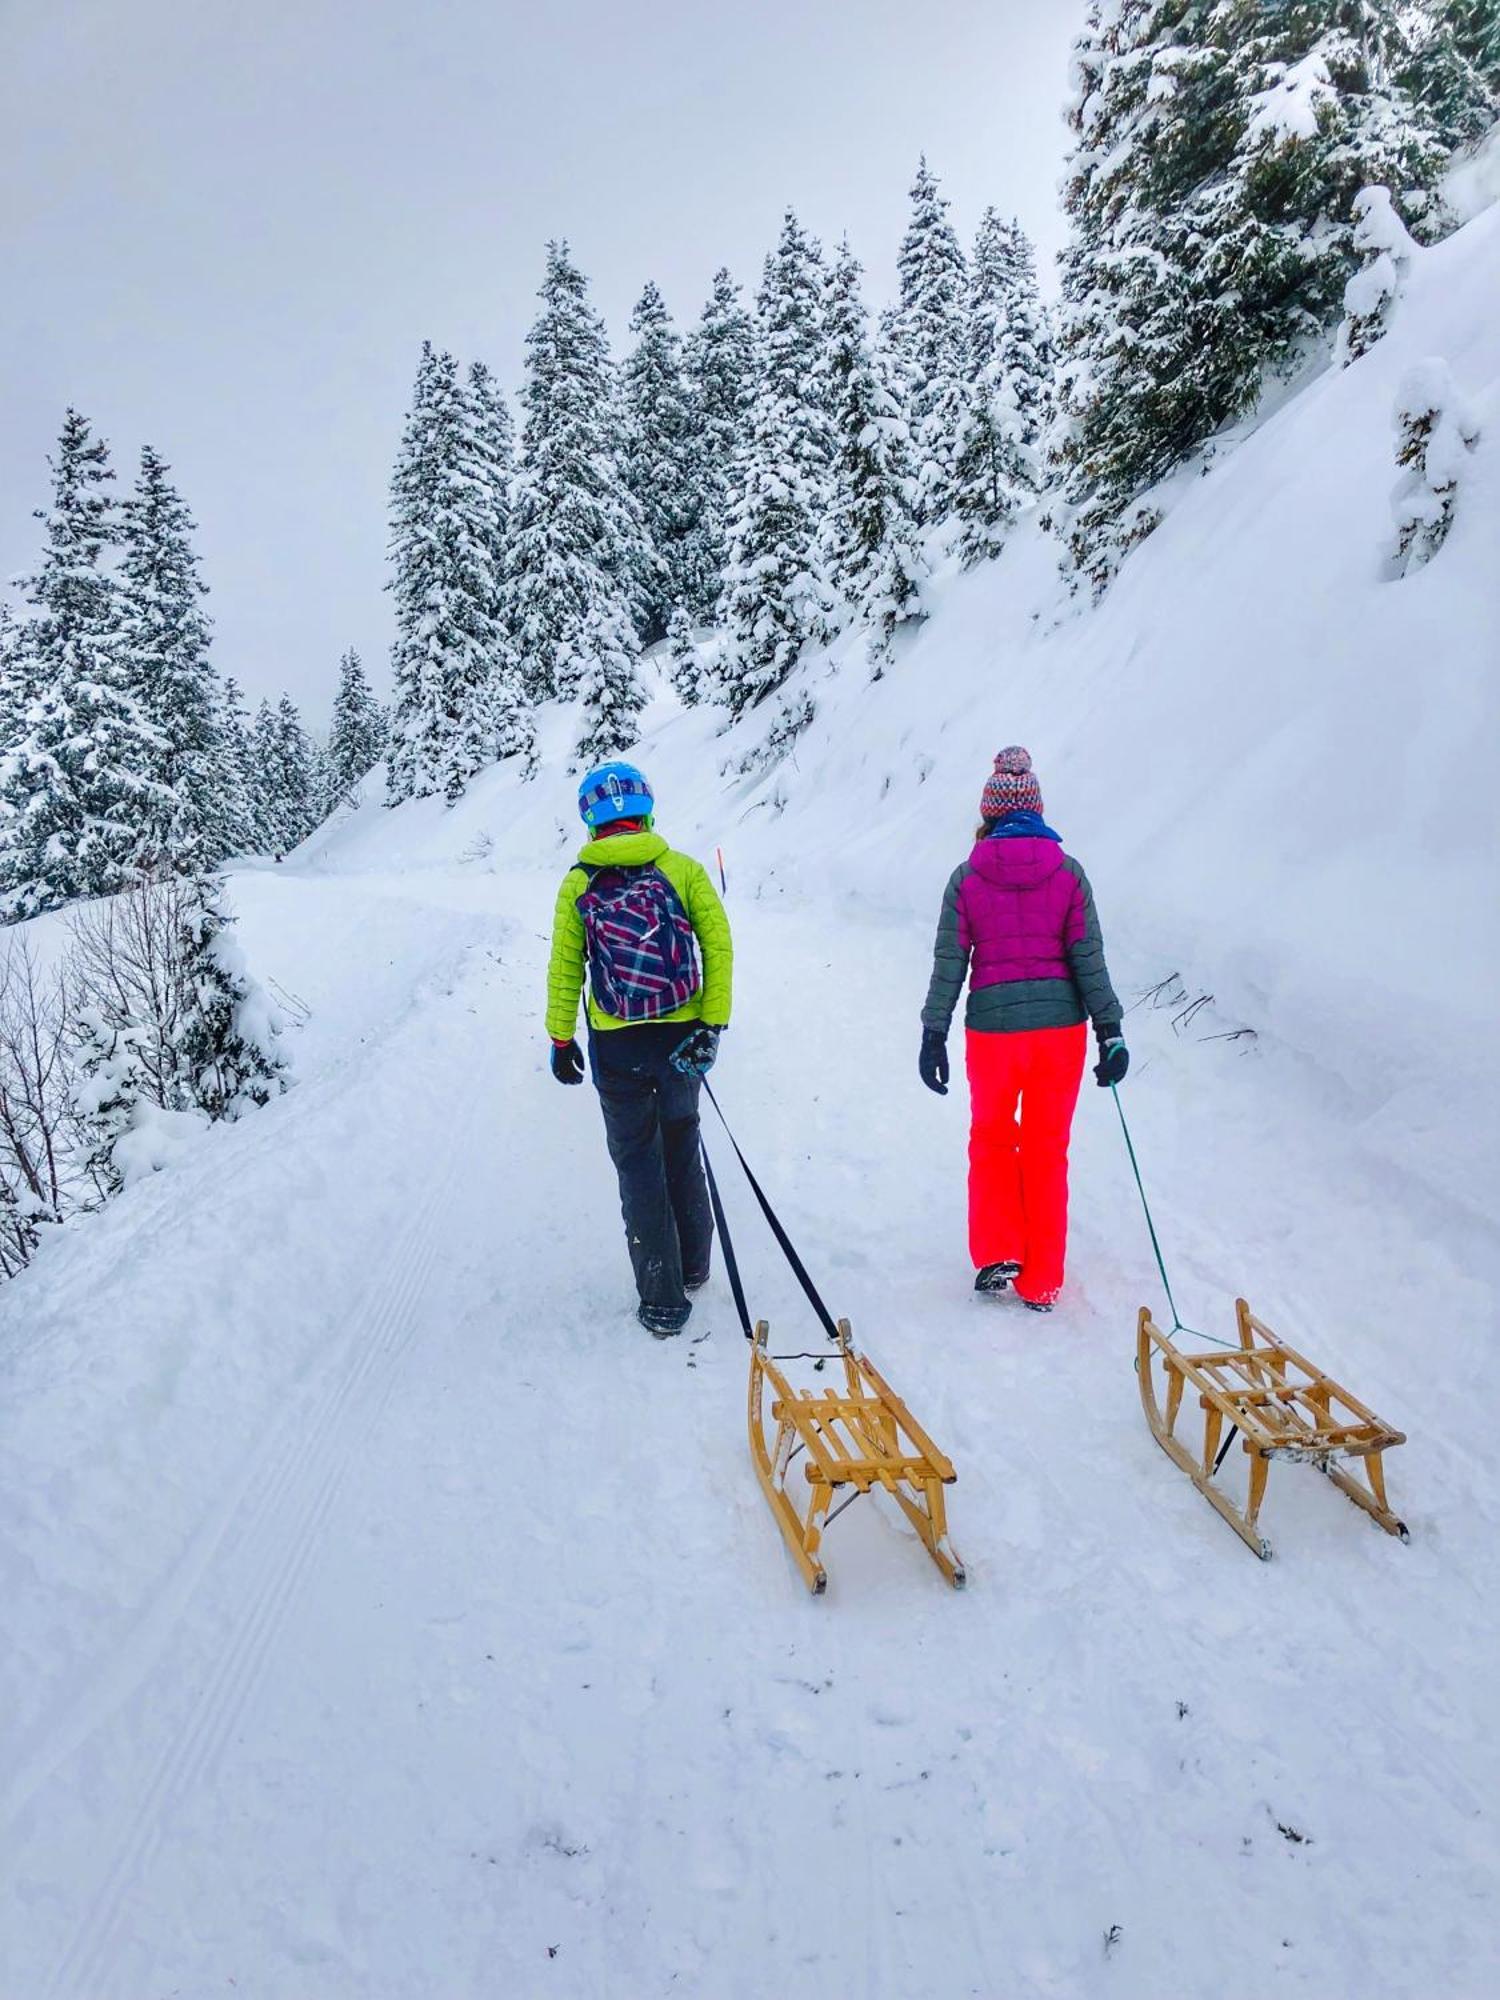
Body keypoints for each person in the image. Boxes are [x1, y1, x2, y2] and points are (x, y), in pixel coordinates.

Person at [919, 746, 1127, 1312]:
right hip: (1060, 1034)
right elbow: (1089, 958)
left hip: (992, 1034)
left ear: (988, 814)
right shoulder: (1068, 874)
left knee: (991, 1138)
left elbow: (949, 962)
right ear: (1037, 810)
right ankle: (1042, 1281)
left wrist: (933, 1031)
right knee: (1045, 1149)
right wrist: (1109, 1030)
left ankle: (997, 1251)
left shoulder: (966, 878)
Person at [546, 761, 733, 1336]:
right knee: (682, 1141)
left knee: (637, 1163)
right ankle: (696, 1267)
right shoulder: (682, 869)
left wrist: (560, 1037)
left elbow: (565, 967)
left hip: (616, 1040)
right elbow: (718, 946)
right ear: (645, 811)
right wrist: (712, 1023)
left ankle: (662, 1299)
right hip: (681, 1036)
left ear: (591, 822)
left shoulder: (579, 882)